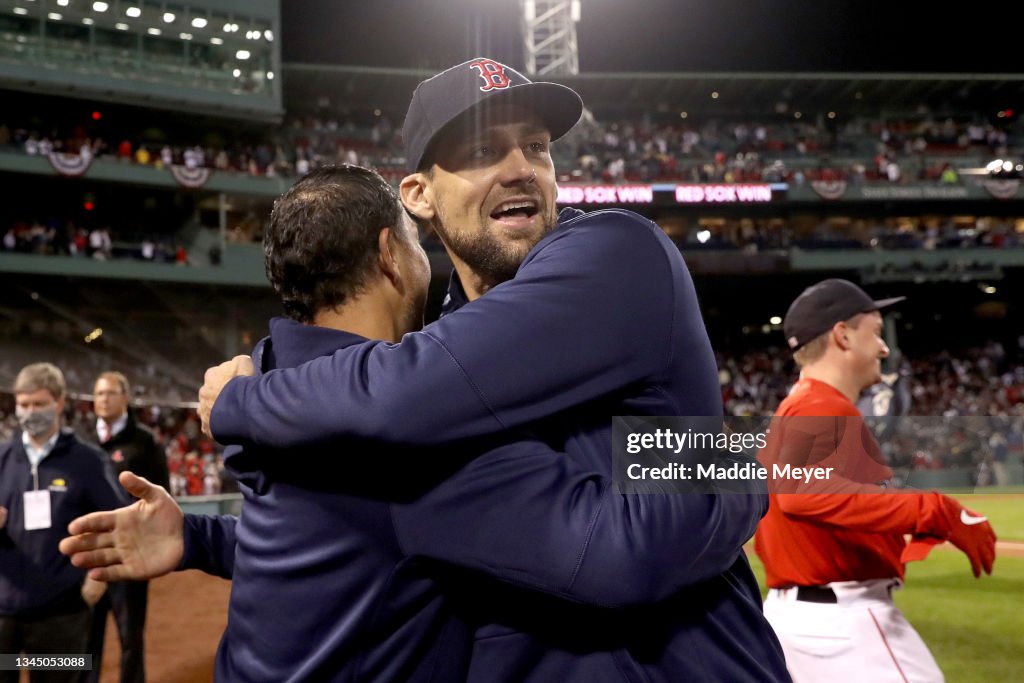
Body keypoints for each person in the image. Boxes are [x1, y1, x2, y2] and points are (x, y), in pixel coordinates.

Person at [63, 163, 785, 681]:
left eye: (537, 147)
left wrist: (198, 533)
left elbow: (348, 542)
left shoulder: (279, 377)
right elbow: (622, 549)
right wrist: (739, 460)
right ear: (391, 255)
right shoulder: (407, 440)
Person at [193, 57, 786, 680]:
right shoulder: (425, 349)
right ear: (418, 196)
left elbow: (401, 397)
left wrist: (245, 400)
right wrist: (196, 539)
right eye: (482, 149)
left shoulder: (613, 256)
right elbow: (383, 526)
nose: (521, 168)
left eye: (535, 145)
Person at [753, 278, 997, 682]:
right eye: (877, 333)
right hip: (843, 625)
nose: (884, 348)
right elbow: (803, 494)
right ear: (843, 336)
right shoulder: (821, 406)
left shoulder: (795, 408)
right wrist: (934, 510)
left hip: (803, 617)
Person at [0, 363, 125, 683]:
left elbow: (117, 522)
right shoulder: (1, 458)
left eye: (39, 403)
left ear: (59, 403)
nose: (30, 412)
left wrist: (97, 579)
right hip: (3, 617)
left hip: (62, 615)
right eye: (23, 404)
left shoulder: (87, 461)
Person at [84, 371, 168, 683]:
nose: (102, 399)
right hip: (89, 556)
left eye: (109, 393)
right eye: (98, 394)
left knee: (130, 637)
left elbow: (162, 497)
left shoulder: (145, 441)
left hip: (130, 556)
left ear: (125, 397)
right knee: (85, 640)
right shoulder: (80, 438)